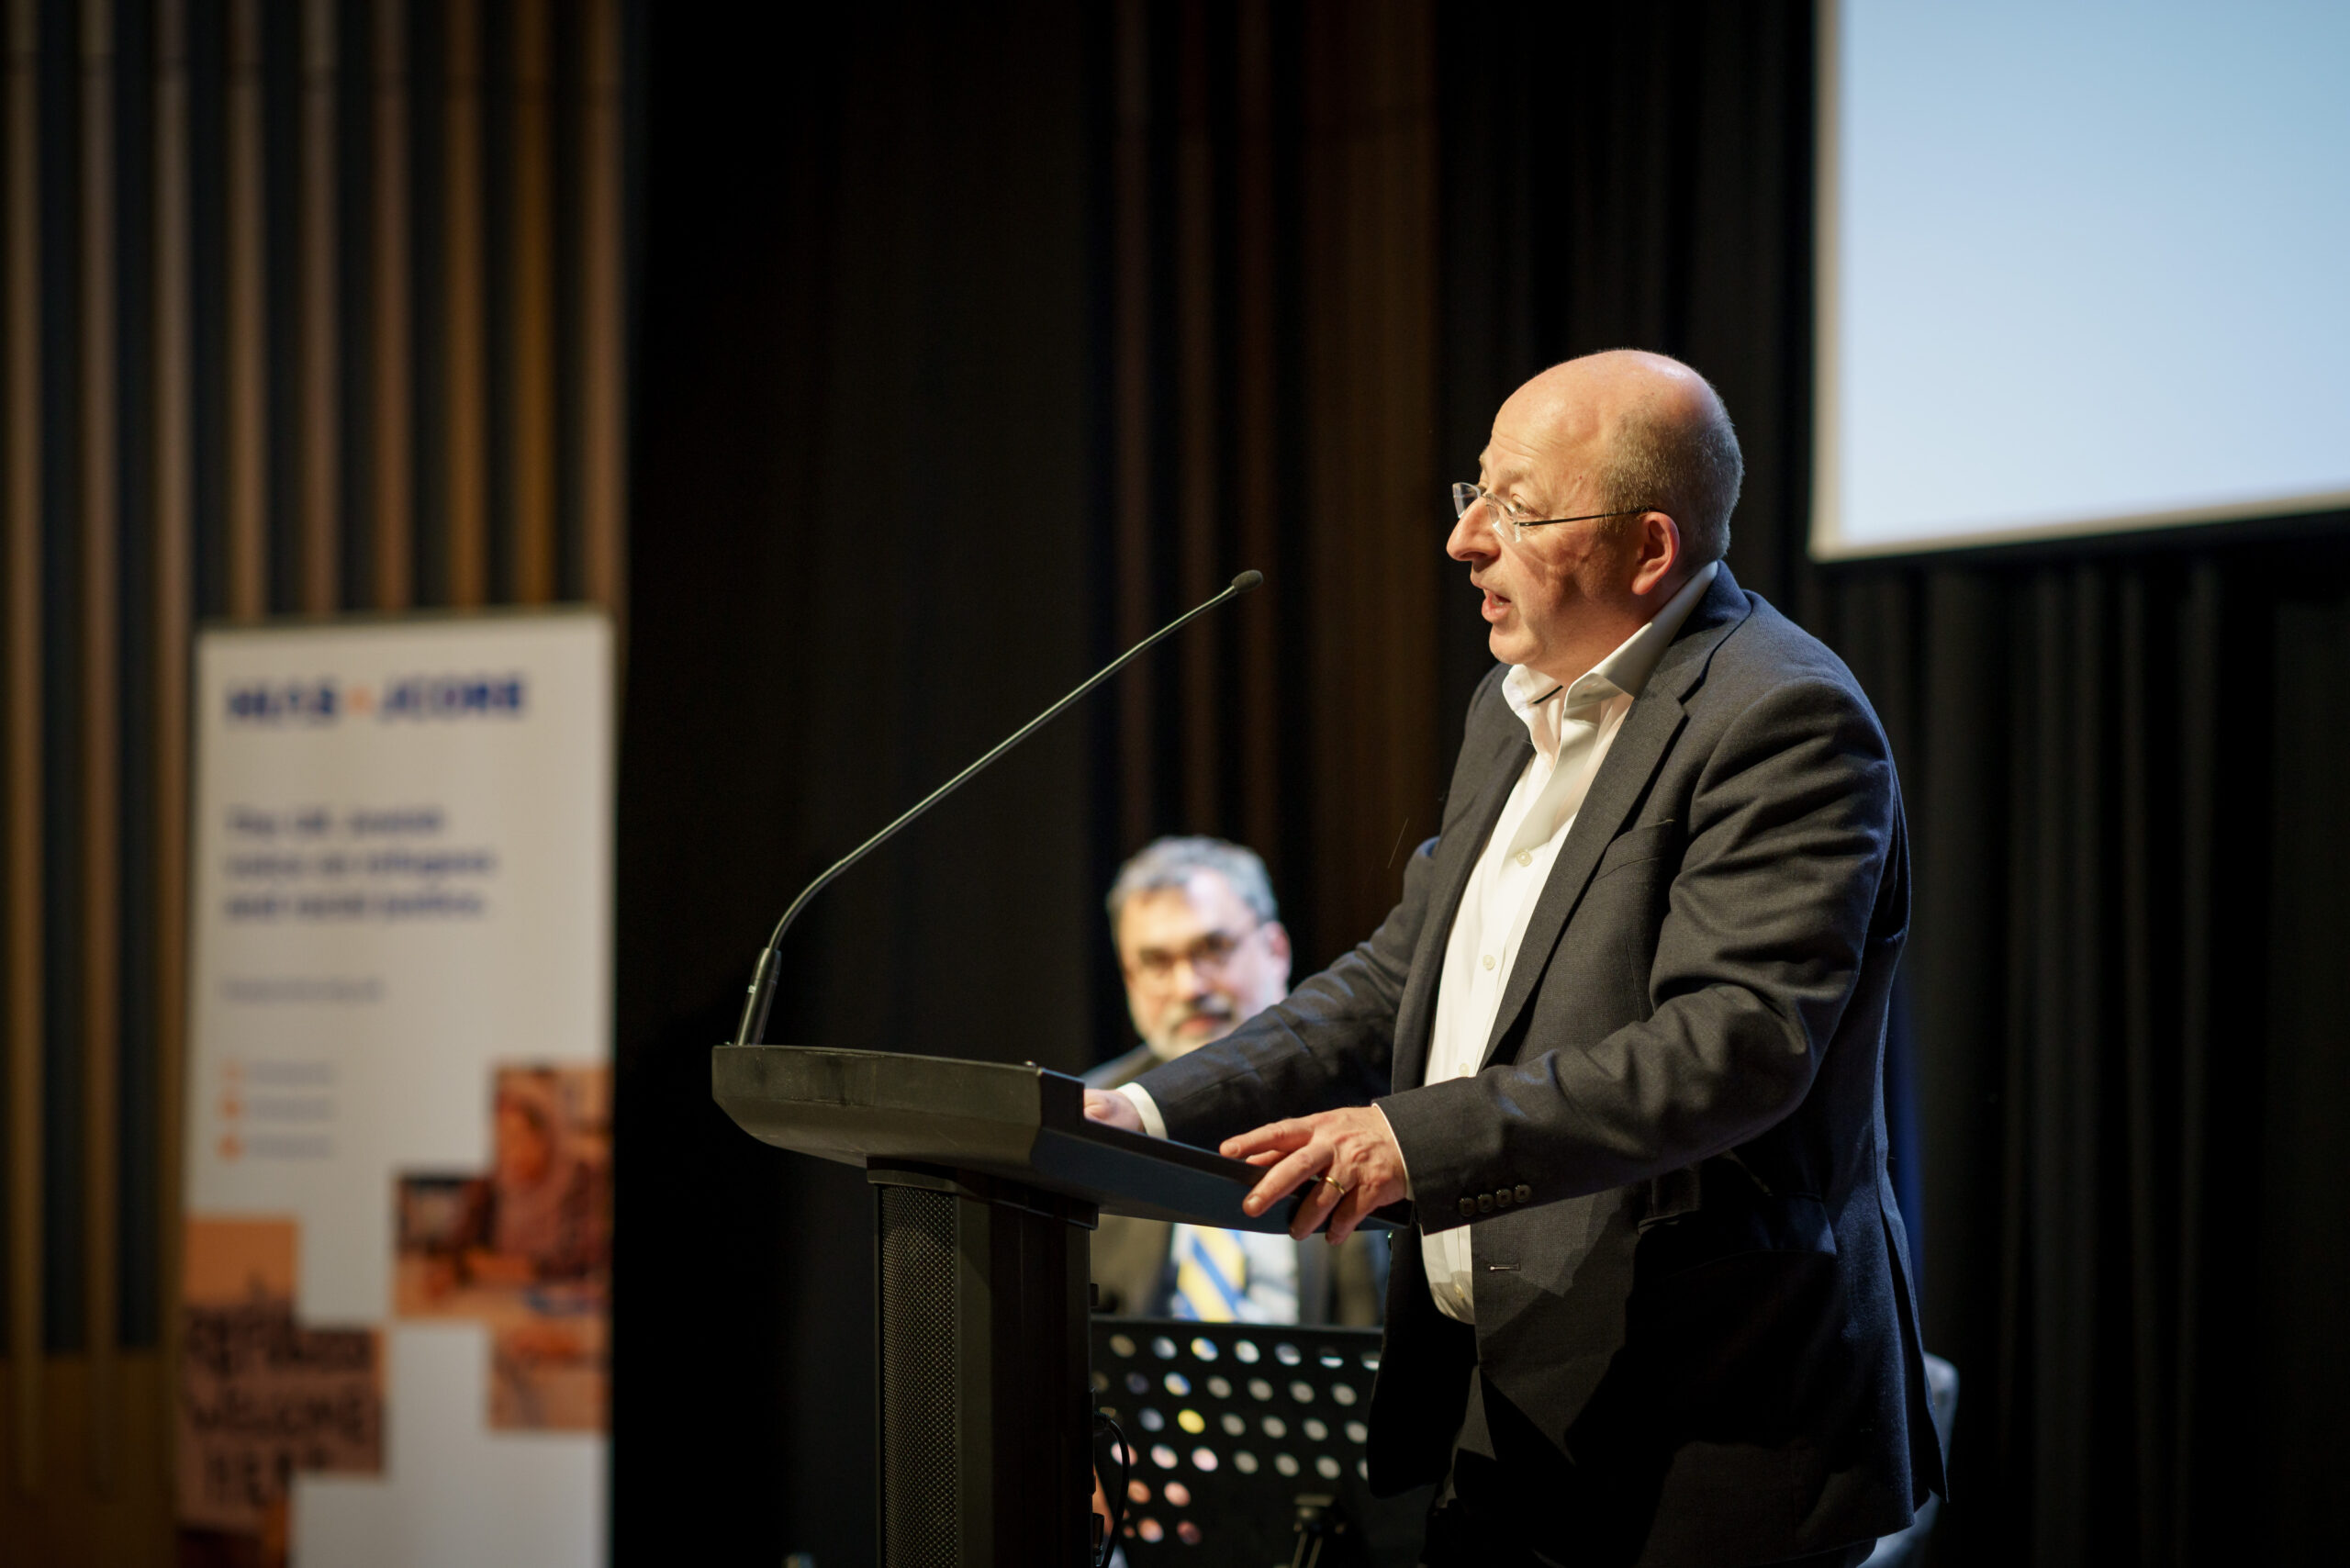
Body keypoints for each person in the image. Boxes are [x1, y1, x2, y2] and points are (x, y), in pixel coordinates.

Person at [1085, 352, 1945, 1567]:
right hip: (1508, 1412)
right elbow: (1404, 975)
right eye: (1470, 494)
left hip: (1705, 1428)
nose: (1465, 542)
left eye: (1519, 508)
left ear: (1648, 550)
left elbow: (1735, 1047)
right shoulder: (1515, 702)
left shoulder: (1782, 717)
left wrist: (1408, 1142)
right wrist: (1141, 1105)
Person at [1086, 836, 1383, 1325]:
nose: (1190, 987)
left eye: (1214, 948)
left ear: (1275, 950)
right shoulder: (1090, 1124)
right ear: (1130, 979)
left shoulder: (1370, 1107)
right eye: (1157, 963)